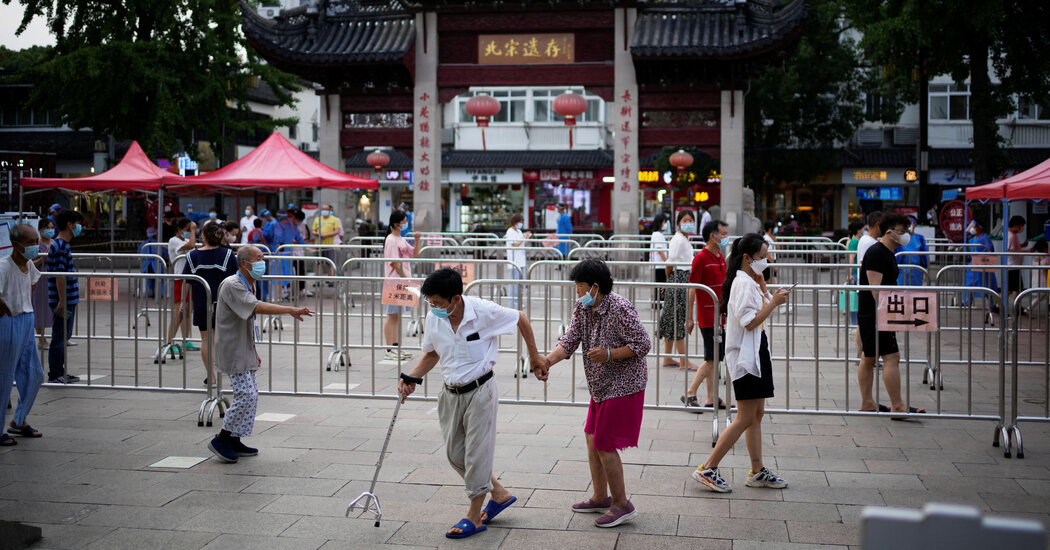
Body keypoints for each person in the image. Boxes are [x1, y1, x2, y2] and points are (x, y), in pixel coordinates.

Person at [398, 267, 545, 539]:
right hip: (450, 393)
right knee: (455, 455)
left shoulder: (483, 311)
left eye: (438, 302)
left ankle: (474, 516)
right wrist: (412, 377)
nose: (433, 308)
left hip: (481, 390)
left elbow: (520, 318)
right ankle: (498, 493)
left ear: (455, 299)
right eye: (430, 302)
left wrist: (535, 357)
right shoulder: (434, 317)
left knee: (476, 455)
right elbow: (431, 354)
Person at [535, 259, 650, 528]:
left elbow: (643, 343)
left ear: (595, 287)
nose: (578, 292)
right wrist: (547, 361)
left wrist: (610, 354)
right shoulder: (583, 308)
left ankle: (622, 505)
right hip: (600, 385)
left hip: (625, 383)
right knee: (591, 436)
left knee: (604, 442)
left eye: (580, 287)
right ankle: (600, 497)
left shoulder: (620, 308)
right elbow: (569, 340)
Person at [692, 233, 790, 493]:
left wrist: (766, 291)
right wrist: (774, 302)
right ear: (747, 258)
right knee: (745, 416)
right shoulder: (743, 283)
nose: (766, 261)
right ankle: (708, 467)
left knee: (756, 414)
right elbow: (749, 321)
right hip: (746, 356)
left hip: (755, 351)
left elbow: (757, 314)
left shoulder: (750, 281)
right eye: (762, 257)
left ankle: (757, 470)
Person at [207, 246, 313, 463]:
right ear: (245, 263)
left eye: (262, 258)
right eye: (258, 258)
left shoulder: (248, 283)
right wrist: (290, 309)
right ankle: (222, 438)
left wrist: (253, 351)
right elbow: (255, 307)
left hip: (244, 347)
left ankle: (234, 438)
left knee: (252, 394)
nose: (262, 262)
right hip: (233, 348)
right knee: (246, 395)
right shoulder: (233, 284)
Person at [857, 213, 925, 415]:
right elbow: (875, 289)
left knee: (869, 357)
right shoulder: (877, 253)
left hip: (876, 313)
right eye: (902, 231)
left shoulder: (886, 252)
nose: (906, 235)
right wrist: (889, 315)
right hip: (877, 314)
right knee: (891, 356)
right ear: (889, 232)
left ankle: (868, 403)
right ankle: (897, 406)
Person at [0, 223, 46, 446]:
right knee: (4, 377)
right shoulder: (3, 267)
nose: (35, 246)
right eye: (30, 242)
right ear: (16, 245)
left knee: (35, 373)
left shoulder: (28, 264)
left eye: (36, 241)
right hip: (9, 322)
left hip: (27, 319)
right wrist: (7, 309)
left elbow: (33, 282)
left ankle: (19, 420)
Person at [184, 222, 240, 387]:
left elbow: (187, 281)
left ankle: (212, 377)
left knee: (206, 339)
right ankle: (233, 375)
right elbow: (237, 278)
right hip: (225, 302)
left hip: (202, 302)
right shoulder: (228, 254)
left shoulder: (193, 256)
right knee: (227, 339)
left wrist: (183, 302)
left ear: (203, 236)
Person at [683, 220, 729, 410]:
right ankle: (690, 392)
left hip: (720, 316)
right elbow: (692, 288)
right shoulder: (701, 258)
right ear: (713, 235)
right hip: (708, 316)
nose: (726, 237)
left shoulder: (719, 256)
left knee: (715, 357)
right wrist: (690, 317)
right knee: (712, 358)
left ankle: (711, 398)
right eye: (723, 234)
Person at [47, 209, 84, 384]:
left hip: (67, 298)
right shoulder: (60, 246)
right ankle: (55, 373)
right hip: (64, 299)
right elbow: (59, 275)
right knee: (60, 336)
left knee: (63, 335)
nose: (79, 227)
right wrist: (62, 299)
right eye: (77, 223)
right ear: (69, 225)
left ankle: (59, 370)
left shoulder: (62, 245)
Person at [659, 210, 697, 370]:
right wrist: (670, 280)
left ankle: (667, 357)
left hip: (679, 279)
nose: (688, 223)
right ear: (679, 223)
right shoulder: (678, 240)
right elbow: (670, 262)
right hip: (679, 279)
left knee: (671, 318)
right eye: (684, 220)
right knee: (679, 319)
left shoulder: (684, 239)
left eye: (690, 220)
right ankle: (683, 361)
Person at [384, 210, 422, 361]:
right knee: (392, 315)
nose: (406, 223)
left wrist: (417, 240)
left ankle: (395, 346)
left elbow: (415, 255)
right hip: (395, 281)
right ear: (396, 224)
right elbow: (394, 263)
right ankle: (389, 349)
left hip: (401, 281)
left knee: (396, 316)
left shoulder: (400, 238)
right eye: (404, 221)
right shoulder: (391, 240)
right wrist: (407, 280)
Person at [167, 218, 198, 354]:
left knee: (187, 312)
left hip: (189, 279)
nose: (189, 232)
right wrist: (193, 230)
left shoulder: (185, 240)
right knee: (178, 313)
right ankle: (169, 342)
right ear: (179, 230)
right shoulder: (174, 241)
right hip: (180, 279)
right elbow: (191, 245)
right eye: (187, 230)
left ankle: (186, 340)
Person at [270, 208, 305, 299]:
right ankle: (294, 295)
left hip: (279, 253)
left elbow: (278, 238)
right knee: (290, 274)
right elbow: (300, 240)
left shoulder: (278, 226)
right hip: (288, 254)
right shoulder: (293, 227)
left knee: (278, 276)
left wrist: (276, 244)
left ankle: (277, 297)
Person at [964, 220, 998, 307]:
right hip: (973, 266)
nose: (972, 228)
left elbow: (989, 252)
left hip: (984, 266)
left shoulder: (985, 239)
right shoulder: (972, 240)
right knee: (970, 284)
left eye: (974, 226)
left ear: (979, 227)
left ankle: (994, 303)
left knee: (989, 285)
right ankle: (967, 301)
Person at [32, 218, 55, 350]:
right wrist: (43, 258)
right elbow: (30, 263)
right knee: (39, 306)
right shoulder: (36, 245)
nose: (50, 230)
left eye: (52, 228)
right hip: (39, 279)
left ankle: (62, 337)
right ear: (41, 230)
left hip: (52, 278)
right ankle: (41, 339)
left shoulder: (54, 243)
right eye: (48, 228)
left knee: (51, 307)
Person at [504, 213, 531, 309]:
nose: (521, 224)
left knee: (520, 283)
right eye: (520, 222)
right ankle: (513, 303)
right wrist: (524, 238)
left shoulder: (519, 231)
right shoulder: (510, 232)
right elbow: (515, 244)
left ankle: (518, 301)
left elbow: (522, 243)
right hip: (514, 261)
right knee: (514, 284)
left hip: (521, 261)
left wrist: (526, 238)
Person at [842, 220, 865, 328]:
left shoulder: (857, 240)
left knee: (856, 299)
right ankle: (854, 323)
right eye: (863, 228)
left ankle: (855, 323)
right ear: (858, 230)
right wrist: (850, 273)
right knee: (854, 299)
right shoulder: (855, 242)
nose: (864, 230)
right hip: (855, 272)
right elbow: (851, 257)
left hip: (857, 272)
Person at [895, 216, 929, 287]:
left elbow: (925, 255)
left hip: (916, 270)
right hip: (902, 270)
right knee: (901, 291)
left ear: (915, 224)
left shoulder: (919, 238)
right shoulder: (899, 237)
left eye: (909, 223)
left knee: (915, 290)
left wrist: (925, 267)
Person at [312, 204, 342, 276]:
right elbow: (313, 230)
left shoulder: (334, 219)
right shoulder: (317, 219)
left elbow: (337, 231)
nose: (324, 211)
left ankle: (330, 279)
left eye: (326, 209)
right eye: (323, 209)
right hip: (319, 245)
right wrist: (318, 234)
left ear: (330, 210)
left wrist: (327, 235)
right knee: (318, 263)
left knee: (330, 263)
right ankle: (319, 279)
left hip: (329, 245)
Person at [1006, 215, 1030, 306]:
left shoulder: (1013, 235)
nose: (1022, 228)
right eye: (1021, 225)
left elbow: (1014, 247)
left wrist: (1022, 245)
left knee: (1016, 288)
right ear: (1015, 225)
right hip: (1012, 266)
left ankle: (1017, 307)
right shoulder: (1011, 236)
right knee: (1011, 289)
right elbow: (1009, 250)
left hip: (1015, 266)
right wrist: (1026, 251)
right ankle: (998, 306)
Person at [649, 213, 669, 304]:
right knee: (660, 286)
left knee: (659, 286)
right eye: (664, 222)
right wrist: (667, 262)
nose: (665, 224)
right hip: (659, 265)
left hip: (659, 265)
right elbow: (660, 250)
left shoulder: (658, 234)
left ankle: (658, 304)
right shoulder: (657, 235)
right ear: (659, 223)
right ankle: (658, 305)